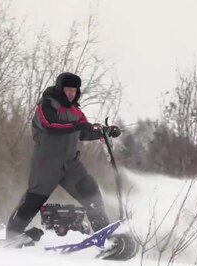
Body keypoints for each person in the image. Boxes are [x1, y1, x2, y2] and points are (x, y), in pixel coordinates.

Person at [6, 72, 121, 239]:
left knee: (90, 190)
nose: (71, 94)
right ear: (61, 89)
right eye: (68, 90)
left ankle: (103, 235)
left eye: (74, 90)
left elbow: (84, 131)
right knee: (33, 202)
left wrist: (105, 131)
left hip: (71, 165)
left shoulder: (76, 111)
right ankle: (13, 234)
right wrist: (77, 126)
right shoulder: (46, 106)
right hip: (46, 165)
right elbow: (51, 125)